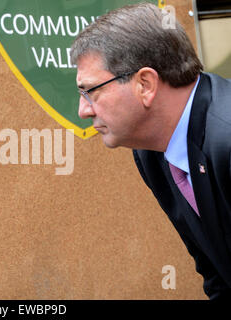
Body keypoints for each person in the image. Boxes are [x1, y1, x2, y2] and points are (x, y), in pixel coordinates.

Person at [71, 2, 231, 300]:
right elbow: (216, 274)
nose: (83, 110)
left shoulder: (226, 135)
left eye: (91, 91)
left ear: (145, 84)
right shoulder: (151, 153)